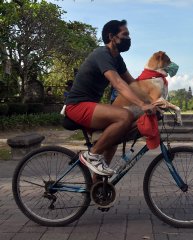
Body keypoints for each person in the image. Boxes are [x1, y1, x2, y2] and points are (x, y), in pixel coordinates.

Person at [65, 20, 156, 176]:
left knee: (113, 140)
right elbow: (119, 83)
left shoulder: (117, 59)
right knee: (124, 116)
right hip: (77, 106)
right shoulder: (102, 54)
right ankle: (93, 154)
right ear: (111, 37)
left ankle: (97, 185)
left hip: (90, 106)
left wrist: (153, 101)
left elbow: (133, 83)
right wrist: (142, 104)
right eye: (125, 34)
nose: (129, 38)